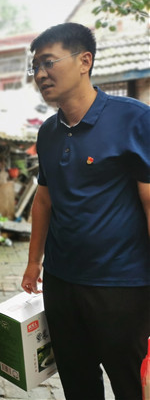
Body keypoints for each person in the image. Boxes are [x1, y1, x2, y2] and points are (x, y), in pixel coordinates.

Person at [21, 22, 150, 399]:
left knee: (130, 382)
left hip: (120, 285)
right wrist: (34, 262)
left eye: (48, 62)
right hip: (61, 283)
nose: (40, 74)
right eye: (35, 66)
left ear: (84, 61)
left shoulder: (133, 119)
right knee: (77, 382)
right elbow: (44, 199)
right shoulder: (48, 133)